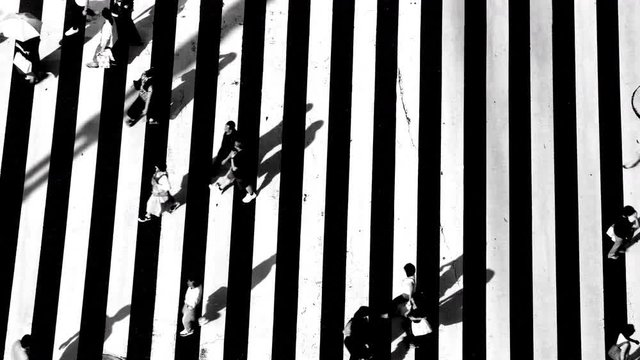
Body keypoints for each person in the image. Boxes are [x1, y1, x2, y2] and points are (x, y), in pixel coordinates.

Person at [212, 139, 257, 203]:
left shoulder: (237, 157)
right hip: (241, 169)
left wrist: (232, 158)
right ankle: (220, 188)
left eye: (235, 145)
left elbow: (234, 168)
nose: (233, 146)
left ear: (237, 147)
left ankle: (252, 194)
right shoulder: (243, 150)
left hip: (240, 173)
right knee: (229, 177)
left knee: (245, 184)